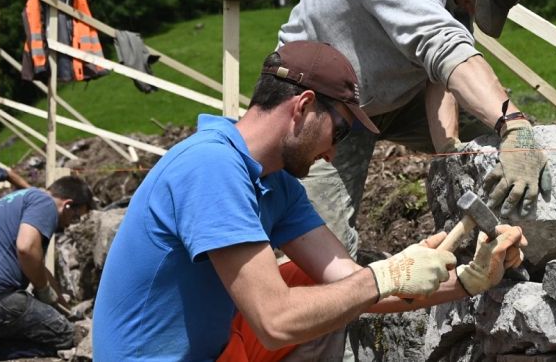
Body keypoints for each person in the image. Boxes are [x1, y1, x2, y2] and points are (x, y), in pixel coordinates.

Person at [91, 41, 526, 361]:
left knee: (323, 288)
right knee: (310, 301)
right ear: (303, 106)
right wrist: (386, 274)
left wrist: (468, 280)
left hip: (217, 351)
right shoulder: (211, 166)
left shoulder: (276, 184)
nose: (334, 151)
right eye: (339, 132)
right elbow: (276, 321)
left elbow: (352, 283)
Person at [277, 0, 550, 260]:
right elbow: (446, 49)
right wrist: (514, 124)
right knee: (320, 254)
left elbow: (440, 73)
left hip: (391, 95)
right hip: (320, 104)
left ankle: (516, 242)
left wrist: (449, 152)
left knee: (495, 141)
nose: (473, 8)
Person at [0, 176, 95, 360]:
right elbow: (26, 249)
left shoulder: (19, 199)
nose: (69, 225)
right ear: (67, 204)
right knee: (69, 336)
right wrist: (43, 290)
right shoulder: (44, 202)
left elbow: (39, 267)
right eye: (75, 217)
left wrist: (61, 305)